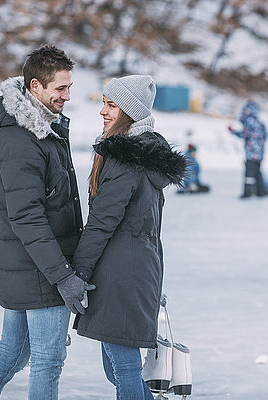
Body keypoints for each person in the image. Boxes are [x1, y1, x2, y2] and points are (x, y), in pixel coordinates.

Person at [0, 45, 95, 399]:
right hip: (39, 271)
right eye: (60, 88)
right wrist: (63, 276)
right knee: (47, 361)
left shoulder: (39, 128)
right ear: (36, 86)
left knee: (11, 355)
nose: (67, 96)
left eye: (69, 87)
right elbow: (27, 216)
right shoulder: (21, 137)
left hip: (28, 267)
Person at [71, 75, 188, 399]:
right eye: (104, 103)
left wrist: (77, 275)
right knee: (117, 368)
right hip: (132, 269)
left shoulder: (127, 158)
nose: (103, 112)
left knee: (123, 369)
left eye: (111, 105)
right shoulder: (142, 156)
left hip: (122, 273)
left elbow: (102, 222)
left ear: (129, 112)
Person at [229, 100, 267, 198]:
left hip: (251, 154)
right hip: (260, 154)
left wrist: (232, 131)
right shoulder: (260, 123)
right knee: (258, 172)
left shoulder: (249, 122)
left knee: (249, 174)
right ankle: (261, 192)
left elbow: (244, 134)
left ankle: (247, 193)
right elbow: (265, 136)